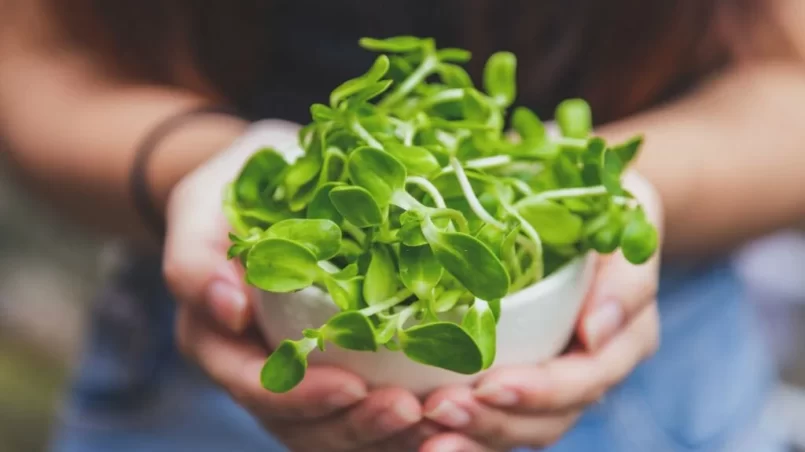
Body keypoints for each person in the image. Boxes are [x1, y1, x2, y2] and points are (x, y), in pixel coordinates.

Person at [1, 0, 803, 451]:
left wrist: (621, 189)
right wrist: (202, 165)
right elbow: (33, 57)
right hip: (211, 360)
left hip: (654, 363)